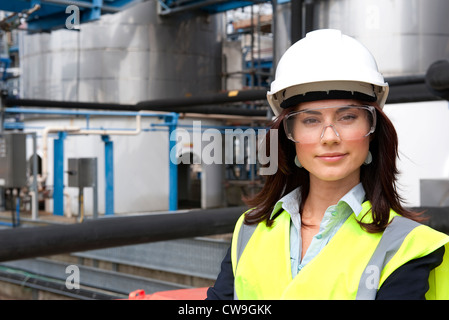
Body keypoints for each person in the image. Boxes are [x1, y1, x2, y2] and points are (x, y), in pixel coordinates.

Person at [207, 29, 449, 300]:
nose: (330, 137)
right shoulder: (250, 230)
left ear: (372, 129)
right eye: (310, 120)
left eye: (347, 117)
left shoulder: (407, 246)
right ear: (291, 135)